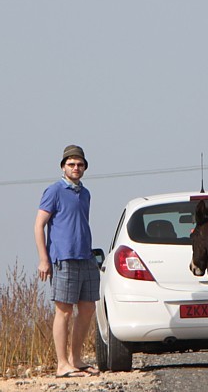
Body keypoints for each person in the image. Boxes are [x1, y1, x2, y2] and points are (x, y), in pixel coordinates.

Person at [34, 145, 100, 379]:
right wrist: (44, 259)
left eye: (80, 164)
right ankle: (62, 364)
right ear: (63, 167)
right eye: (71, 164)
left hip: (86, 257)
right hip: (63, 258)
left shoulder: (85, 193)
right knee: (63, 311)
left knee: (88, 308)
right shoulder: (54, 191)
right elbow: (39, 224)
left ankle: (76, 359)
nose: (76, 168)